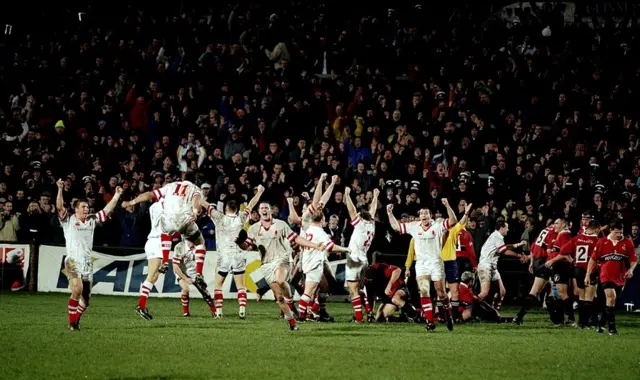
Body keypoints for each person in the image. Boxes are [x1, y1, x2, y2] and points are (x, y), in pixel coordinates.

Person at [237, 202, 325, 330]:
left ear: (271, 211)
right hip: (266, 265)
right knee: (279, 297)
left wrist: (314, 245)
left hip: (282, 260)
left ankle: (290, 300)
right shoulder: (254, 229)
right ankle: (292, 322)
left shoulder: (281, 224)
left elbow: (296, 238)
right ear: (259, 212)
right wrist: (239, 242)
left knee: (281, 281)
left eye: (267, 207)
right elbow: (248, 247)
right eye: (262, 208)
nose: (264, 210)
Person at [56, 179, 123, 330]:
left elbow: (106, 210)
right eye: (83, 207)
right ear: (76, 210)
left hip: (87, 262)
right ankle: (72, 323)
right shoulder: (68, 220)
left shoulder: (92, 220)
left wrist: (117, 195)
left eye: (87, 206)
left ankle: (75, 321)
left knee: (86, 299)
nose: (87, 209)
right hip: (72, 260)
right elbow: (59, 207)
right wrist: (60, 189)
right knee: (77, 289)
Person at [124, 171, 207, 288]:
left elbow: (148, 195)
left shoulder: (170, 186)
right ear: (195, 179)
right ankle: (199, 274)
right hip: (185, 218)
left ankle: (166, 262)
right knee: (200, 243)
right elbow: (196, 198)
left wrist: (131, 202)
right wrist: (194, 211)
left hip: (168, 222)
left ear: (182, 177)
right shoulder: (195, 188)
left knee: (165, 232)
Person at [387, 199, 457, 332]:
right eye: (422, 213)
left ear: (430, 215)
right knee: (424, 290)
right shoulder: (414, 226)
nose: (424, 216)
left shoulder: (438, 225)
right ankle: (430, 322)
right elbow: (397, 227)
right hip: (421, 264)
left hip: (436, 262)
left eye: (426, 213)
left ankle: (449, 314)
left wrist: (447, 205)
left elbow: (453, 221)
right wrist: (390, 213)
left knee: (441, 292)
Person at [204, 185, 264, 319]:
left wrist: (194, 195)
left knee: (218, 285)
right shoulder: (241, 218)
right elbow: (251, 204)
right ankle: (242, 309)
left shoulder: (219, 217)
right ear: (237, 210)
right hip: (238, 256)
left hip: (223, 257)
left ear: (225, 209)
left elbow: (206, 205)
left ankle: (219, 312)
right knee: (241, 286)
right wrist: (259, 192)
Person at [297, 210, 350, 321]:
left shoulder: (309, 229)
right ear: (322, 220)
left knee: (325, 288)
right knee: (309, 292)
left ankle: (318, 312)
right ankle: (302, 316)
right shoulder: (319, 232)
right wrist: (347, 249)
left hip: (311, 261)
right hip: (314, 263)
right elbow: (331, 247)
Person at [586, 220, 637, 335]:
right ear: (610, 231)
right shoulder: (602, 242)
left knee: (612, 302)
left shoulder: (628, 242)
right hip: (605, 275)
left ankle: (601, 323)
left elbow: (634, 259)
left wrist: (631, 269)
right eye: (617, 232)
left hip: (620, 277)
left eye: (621, 232)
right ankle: (612, 328)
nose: (619, 235)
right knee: (611, 298)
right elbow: (593, 260)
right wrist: (587, 275)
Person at [513, 220, 560, 325]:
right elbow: (550, 250)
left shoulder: (544, 231)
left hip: (538, 262)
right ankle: (519, 317)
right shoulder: (553, 233)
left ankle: (556, 320)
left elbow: (533, 248)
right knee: (538, 292)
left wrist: (531, 263)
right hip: (545, 261)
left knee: (550, 290)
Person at [343, 186, 378, 323]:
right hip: (364, 260)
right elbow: (373, 210)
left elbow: (351, 211)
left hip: (354, 259)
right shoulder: (371, 225)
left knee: (353, 290)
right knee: (359, 288)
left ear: (360, 217)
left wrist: (347, 195)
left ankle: (358, 318)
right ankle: (369, 311)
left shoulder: (360, 225)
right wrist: (375, 196)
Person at [476, 220, 527, 313]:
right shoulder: (497, 236)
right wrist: (519, 254)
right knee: (484, 292)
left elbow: (504, 248)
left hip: (492, 266)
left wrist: (518, 246)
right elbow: (505, 251)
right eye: (507, 227)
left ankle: (493, 312)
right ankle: (472, 310)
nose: (508, 229)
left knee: (502, 292)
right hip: (485, 265)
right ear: (502, 228)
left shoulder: (496, 236)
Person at [559, 220, 600, 328]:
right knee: (589, 297)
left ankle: (581, 322)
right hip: (590, 270)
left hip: (578, 270)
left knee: (581, 296)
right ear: (597, 229)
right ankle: (587, 323)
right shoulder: (597, 240)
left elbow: (563, 250)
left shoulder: (577, 238)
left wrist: (573, 260)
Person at [132, 201, 168, 320]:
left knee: (153, 276)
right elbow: (167, 229)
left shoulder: (153, 206)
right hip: (159, 241)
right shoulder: (169, 205)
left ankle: (141, 305)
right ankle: (141, 306)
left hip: (151, 241)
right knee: (152, 276)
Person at [440, 201, 473, 322]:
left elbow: (461, 222)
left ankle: (452, 317)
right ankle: (441, 316)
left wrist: (466, 212)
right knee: (440, 291)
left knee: (454, 291)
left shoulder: (452, 232)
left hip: (451, 263)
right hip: (438, 264)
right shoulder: (432, 235)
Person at [172, 239, 217, 317]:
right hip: (181, 272)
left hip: (194, 273)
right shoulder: (180, 247)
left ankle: (214, 311)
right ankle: (186, 313)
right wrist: (185, 278)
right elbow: (175, 266)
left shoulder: (200, 246)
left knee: (204, 292)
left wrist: (199, 275)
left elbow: (199, 263)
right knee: (185, 289)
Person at [544, 218, 574, 326]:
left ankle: (570, 319)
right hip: (557, 266)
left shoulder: (565, 235)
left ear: (564, 224)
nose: (554, 225)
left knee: (562, 293)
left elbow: (565, 253)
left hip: (561, 266)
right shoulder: (560, 235)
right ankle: (559, 320)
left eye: (557, 223)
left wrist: (552, 260)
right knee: (555, 295)